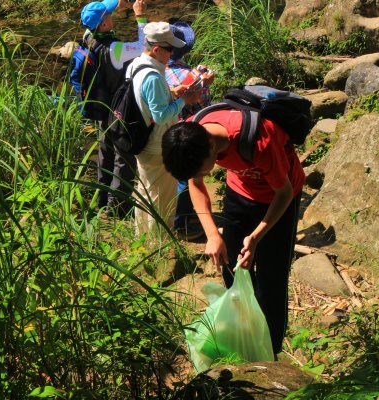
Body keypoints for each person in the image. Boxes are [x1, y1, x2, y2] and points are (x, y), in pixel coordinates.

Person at [161, 111, 305, 357]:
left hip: (279, 200)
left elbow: (284, 193)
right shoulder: (191, 134)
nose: (203, 175)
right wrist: (213, 236)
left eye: (203, 170)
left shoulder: (261, 141)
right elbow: (196, 185)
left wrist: (257, 237)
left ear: (210, 145)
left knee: (271, 282)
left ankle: (269, 353)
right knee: (232, 269)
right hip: (239, 193)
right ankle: (242, 335)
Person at [126, 21, 201, 238]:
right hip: (156, 145)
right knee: (162, 197)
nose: (172, 54)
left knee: (145, 191)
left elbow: (147, 98)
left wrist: (172, 92)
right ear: (157, 49)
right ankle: (158, 242)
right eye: (170, 50)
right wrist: (184, 100)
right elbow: (160, 116)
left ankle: (141, 238)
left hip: (140, 140)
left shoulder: (136, 64)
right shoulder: (153, 76)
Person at [76, 0, 148, 218]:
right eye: (108, 15)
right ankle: (117, 210)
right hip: (119, 109)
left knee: (105, 153)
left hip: (101, 107)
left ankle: (102, 202)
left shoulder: (88, 38)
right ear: (105, 24)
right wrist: (140, 17)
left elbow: (99, 17)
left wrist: (117, 4)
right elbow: (143, 47)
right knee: (123, 158)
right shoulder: (115, 49)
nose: (112, 17)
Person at [164, 21, 214, 241]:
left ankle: (178, 216)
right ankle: (182, 223)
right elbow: (202, 102)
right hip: (187, 127)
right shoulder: (187, 73)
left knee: (177, 172)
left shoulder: (158, 68)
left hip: (168, 127)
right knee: (188, 174)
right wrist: (205, 83)